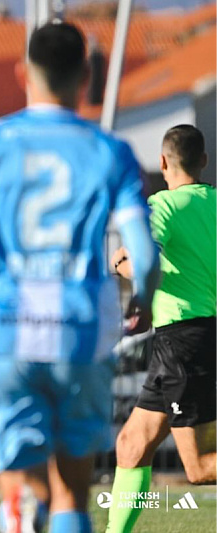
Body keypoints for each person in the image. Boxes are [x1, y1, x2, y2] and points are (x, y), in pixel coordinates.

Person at [0, 22, 159, 533]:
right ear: (87, 76)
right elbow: (142, 252)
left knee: (20, 483)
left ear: (22, 72)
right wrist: (142, 295)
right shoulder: (111, 151)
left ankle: (18, 510)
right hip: (79, 327)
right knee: (72, 493)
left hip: (3, 327)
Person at [106, 125, 216, 532]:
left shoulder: (163, 205)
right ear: (203, 161)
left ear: (164, 162)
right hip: (193, 338)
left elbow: (141, 263)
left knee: (200, 467)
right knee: (131, 446)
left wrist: (120, 264)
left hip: (183, 340)